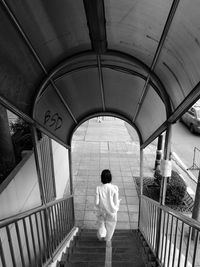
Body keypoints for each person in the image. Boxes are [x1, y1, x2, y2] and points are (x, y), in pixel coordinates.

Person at [95, 169, 121, 242]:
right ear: (110, 178)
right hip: (112, 212)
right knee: (111, 226)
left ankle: (101, 235)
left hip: (102, 212)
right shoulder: (114, 188)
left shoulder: (98, 188)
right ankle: (107, 239)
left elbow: (96, 202)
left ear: (101, 178)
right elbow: (116, 202)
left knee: (102, 224)